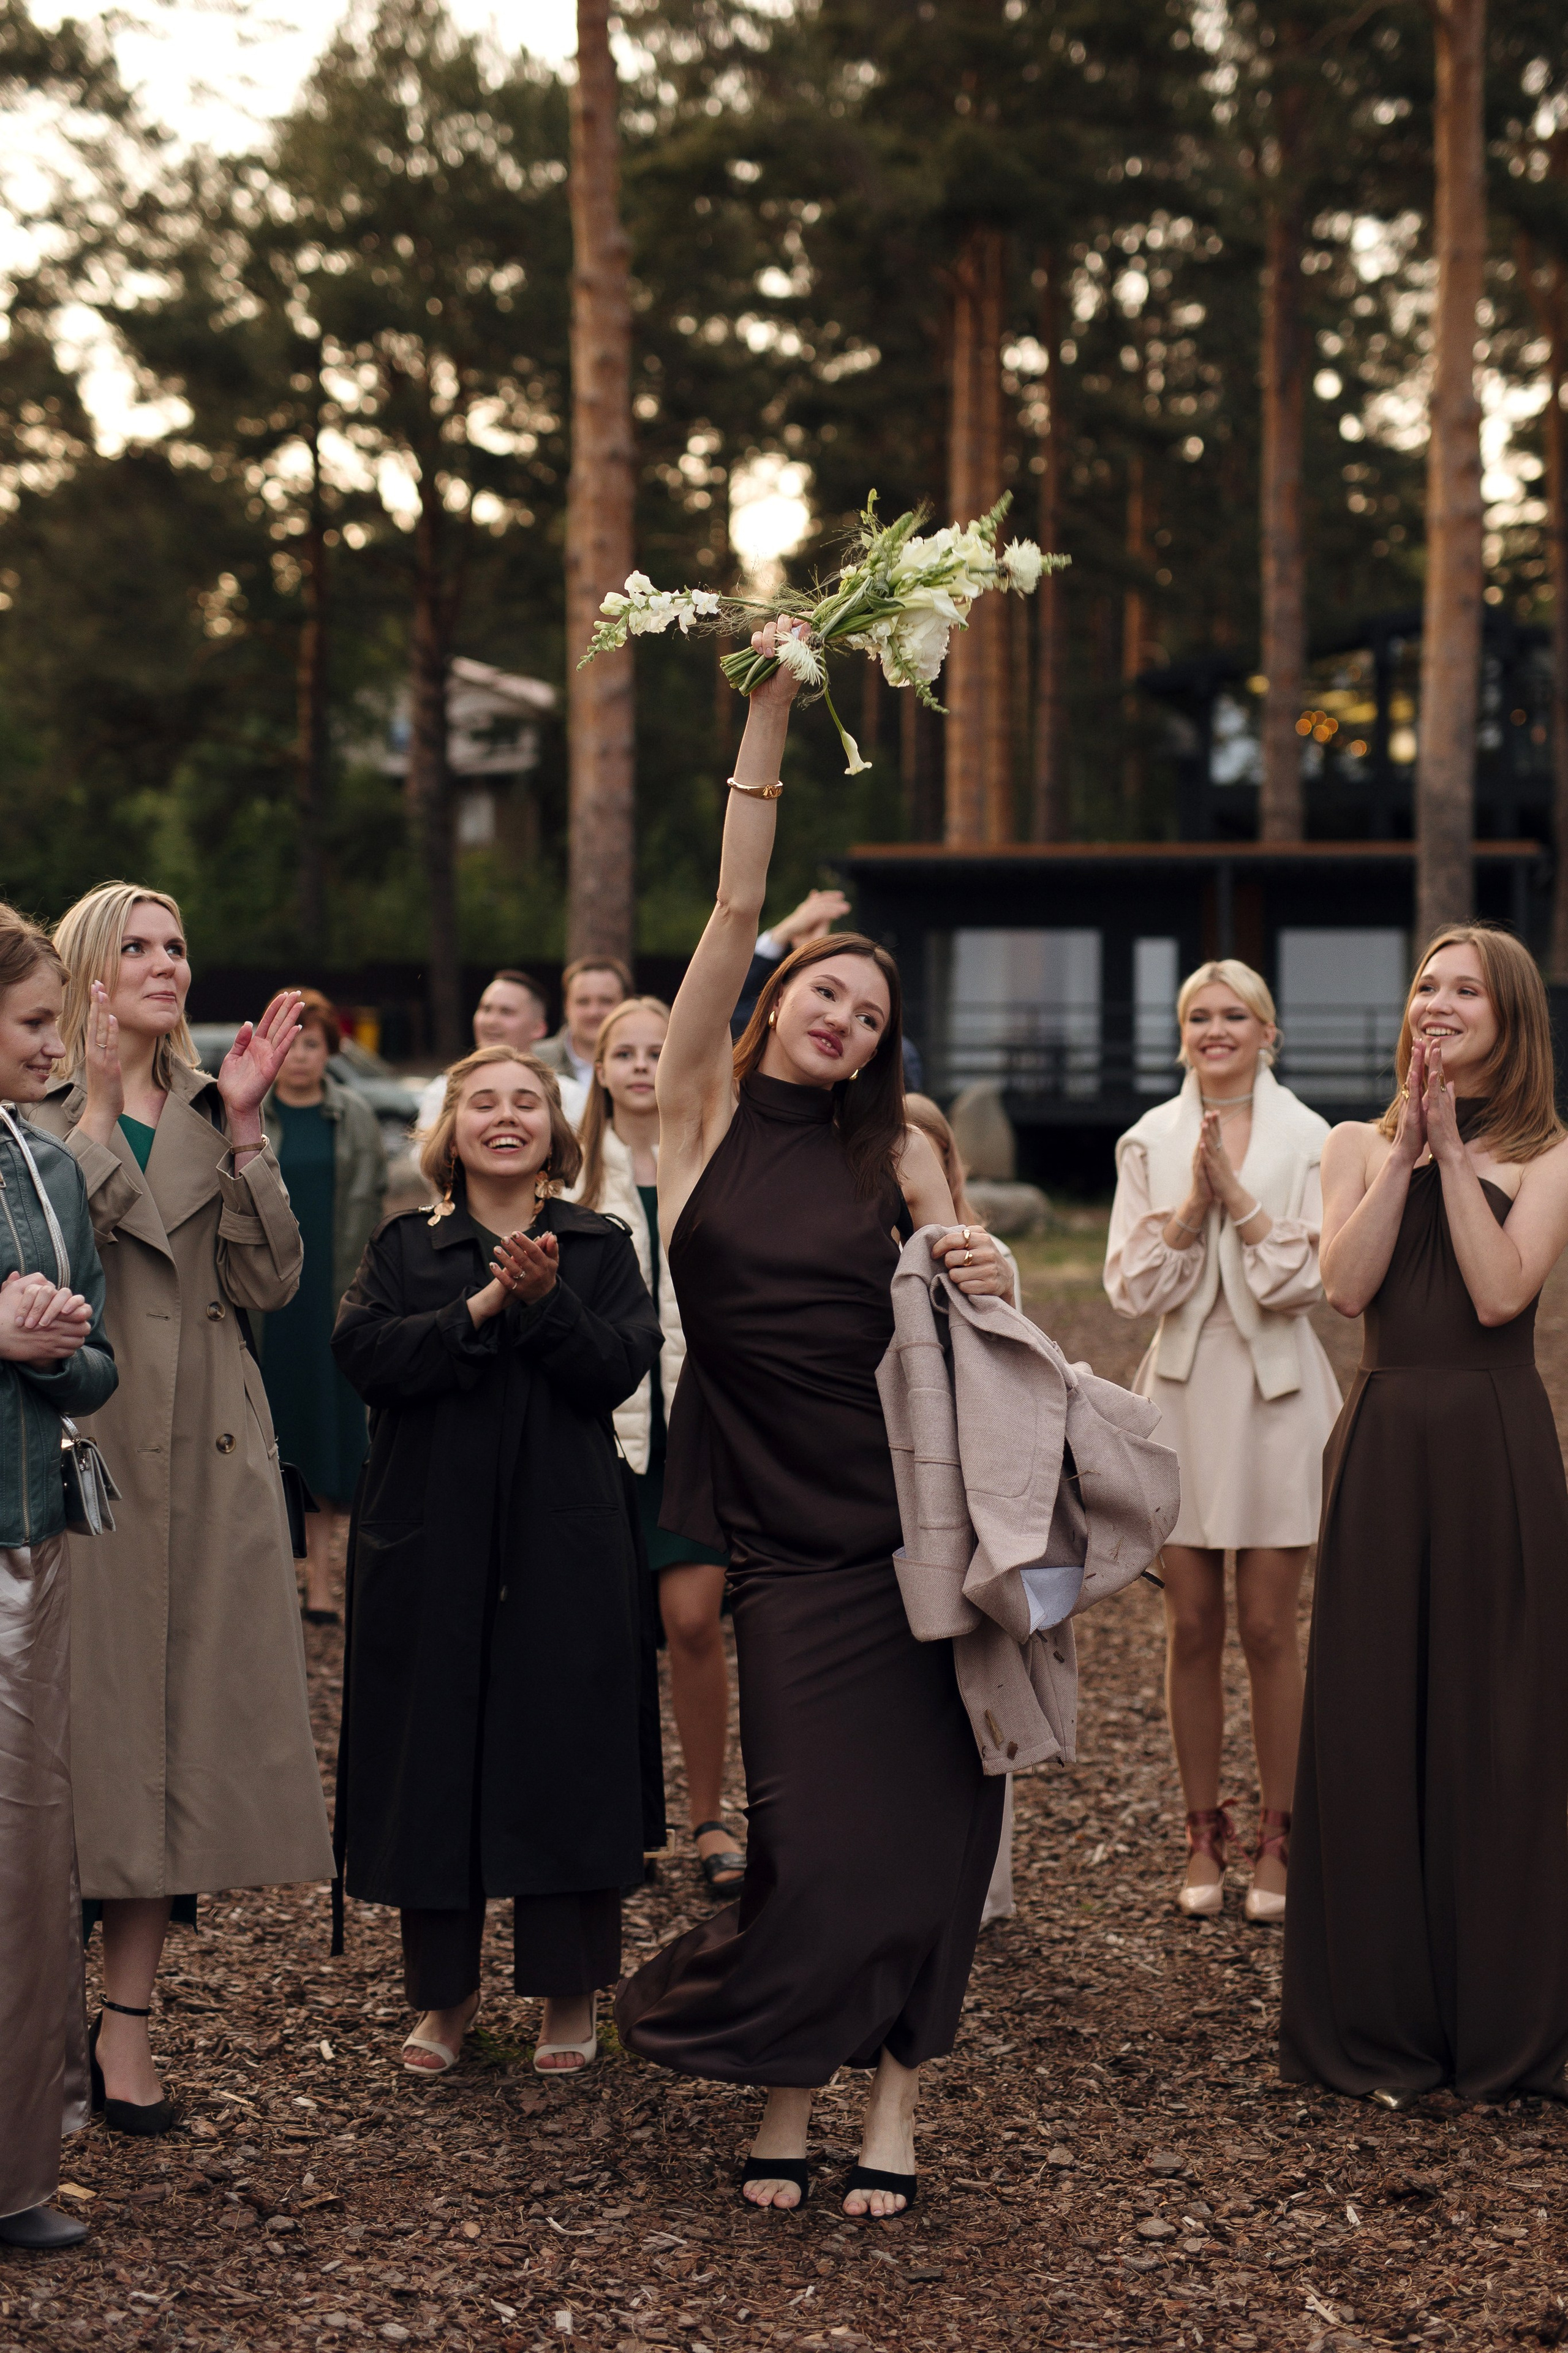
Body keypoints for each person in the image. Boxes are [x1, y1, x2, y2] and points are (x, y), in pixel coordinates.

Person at [614, 616, 1013, 2221]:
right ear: (781, 995)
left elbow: (975, 1328)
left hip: (915, 1528)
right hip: (782, 1539)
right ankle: (786, 2075)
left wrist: (980, 1259)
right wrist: (772, 711)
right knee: (808, 1833)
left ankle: (894, 2101)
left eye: (866, 1008)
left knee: (933, 1827)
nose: (842, 1016)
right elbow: (723, 904)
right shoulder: (697, 1105)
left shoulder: (900, 1142)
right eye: (823, 989)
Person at [37, 884, 333, 2133]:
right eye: (141, 946)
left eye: (177, 946)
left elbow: (271, 1276)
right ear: (89, 972)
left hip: (209, 1457)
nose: (168, 964)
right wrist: (102, 1110)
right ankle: (38, 2023)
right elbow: (54, 1252)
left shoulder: (218, 1111)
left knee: (168, 1737)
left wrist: (251, 1131)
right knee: (66, 1738)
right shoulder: (39, 1113)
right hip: (77, 1450)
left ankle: (129, 2028)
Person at [331, 1046, 662, 2076]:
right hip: (432, 1534)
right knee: (436, 1752)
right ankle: (445, 1998)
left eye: (528, 1100)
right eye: (484, 1102)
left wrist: (547, 1300)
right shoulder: (404, 1247)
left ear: (555, 1131)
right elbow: (365, 1357)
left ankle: (570, 1994)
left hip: (562, 1539)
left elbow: (620, 1365)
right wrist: (480, 1307)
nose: (506, 1116)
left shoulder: (597, 1246)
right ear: (453, 1128)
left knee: (565, 1744)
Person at [1281, 924, 1568, 2106]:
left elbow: (1503, 1294)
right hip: (1388, 1440)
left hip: (1497, 1448)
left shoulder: (1552, 1154)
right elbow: (1345, 1287)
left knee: (1498, 1725)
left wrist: (1457, 1151)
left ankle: (1503, 2023)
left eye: (1465, 988)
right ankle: (1378, 2024)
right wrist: (1406, 1147)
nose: (1437, 1003)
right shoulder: (1353, 1143)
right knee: (1370, 1715)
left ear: (1510, 1018)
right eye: (1425, 984)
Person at [1104, 958, 1340, 1924]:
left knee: (1270, 1625)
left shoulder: (1314, 1138)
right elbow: (1131, 1288)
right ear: (1182, 1032)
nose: (1215, 1030)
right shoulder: (1148, 1138)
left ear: (1267, 1032)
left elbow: (1308, 1279)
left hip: (1279, 1395)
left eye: (1233, 1015)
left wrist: (1235, 1195)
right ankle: (1203, 1829)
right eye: (1198, 1016)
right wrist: (1191, 1206)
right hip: (1183, 1395)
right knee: (1192, 1623)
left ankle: (1282, 1830)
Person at [0, 905, 117, 2252]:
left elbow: (96, 1366)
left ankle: (14, 2160)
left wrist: (59, 1346)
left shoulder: (48, 1165)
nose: (54, 1044)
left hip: (27, 1541)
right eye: (34, 1020)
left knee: (26, 1854)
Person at [570, 996, 741, 1894]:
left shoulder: (712, 1157)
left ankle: (709, 1814)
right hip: (604, 1429)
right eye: (624, 1052)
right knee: (608, 1634)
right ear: (598, 1068)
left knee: (692, 1624)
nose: (641, 1065)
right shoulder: (571, 1172)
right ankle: (623, 1815)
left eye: (657, 1050)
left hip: (697, 1424)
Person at [903, 1092, 1020, 1925]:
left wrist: (939, 1216)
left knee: (977, 1680)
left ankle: (982, 1883)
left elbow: (998, 1365)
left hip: (970, 1496)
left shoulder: (982, 1252)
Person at [258, 990, 387, 1622]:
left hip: (334, 1292)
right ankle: (277, 1579)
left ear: (330, 1051)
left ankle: (322, 1587)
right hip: (269, 1302)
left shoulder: (355, 1116)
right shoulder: (248, 1113)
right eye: (292, 1041)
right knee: (279, 1429)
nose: (301, 1055)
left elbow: (373, 1205)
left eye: (314, 1043)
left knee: (334, 1436)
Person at [415, 969, 584, 1133]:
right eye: (486, 1009)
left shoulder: (569, 1097)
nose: (491, 1021)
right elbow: (425, 1159)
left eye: (506, 1012)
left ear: (538, 1028)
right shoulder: (442, 1091)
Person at [535, 956, 631, 1095]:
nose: (594, 1012)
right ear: (567, 1007)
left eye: (606, 1001)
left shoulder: (648, 1063)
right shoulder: (536, 1061)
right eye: (583, 1002)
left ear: (626, 1004)